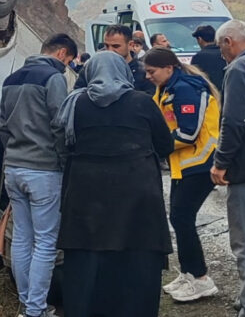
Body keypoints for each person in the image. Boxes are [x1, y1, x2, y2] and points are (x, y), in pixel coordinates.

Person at [53, 51, 174, 317]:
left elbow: (62, 145)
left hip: (86, 193)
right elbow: (165, 144)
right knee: (137, 256)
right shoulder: (142, 102)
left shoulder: (75, 104)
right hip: (137, 192)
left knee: (86, 259)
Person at [0, 33, 78, 317]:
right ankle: (36, 310)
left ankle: (26, 305)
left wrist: (13, 155)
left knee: (21, 238)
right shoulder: (53, 78)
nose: (66, 67)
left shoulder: (12, 79)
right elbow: (60, 123)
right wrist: (63, 159)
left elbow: (3, 127)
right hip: (43, 170)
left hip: (14, 168)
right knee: (45, 242)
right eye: (68, 62)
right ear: (62, 54)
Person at [143, 47, 220, 302]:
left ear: (169, 68)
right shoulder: (167, 88)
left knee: (182, 217)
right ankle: (189, 272)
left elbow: (189, 132)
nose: (148, 77)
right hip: (182, 163)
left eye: (151, 71)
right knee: (178, 218)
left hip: (200, 163)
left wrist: (156, 144)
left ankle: (200, 278)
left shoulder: (186, 88)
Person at [210, 20, 245, 317]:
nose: (221, 54)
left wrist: (221, 163)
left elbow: (233, 122)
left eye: (221, 47)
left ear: (229, 42)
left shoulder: (239, 69)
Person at [75, 25, 154, 95]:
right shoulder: (92, 68)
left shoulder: (144, 72)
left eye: (115, 46)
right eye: (106, 46)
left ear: (130, 45)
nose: (110, 50)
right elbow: (77, 94)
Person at [190, 25, 226, 91]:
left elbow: (194, 80)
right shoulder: (224, 52)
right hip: (226, 92)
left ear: (200, 39)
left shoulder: (198, 57)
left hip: (209, 95)